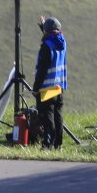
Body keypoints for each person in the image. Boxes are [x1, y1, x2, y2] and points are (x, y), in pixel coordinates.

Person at [31, 15, 66, 148]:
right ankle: (58, 144)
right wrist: (44, 27)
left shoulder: (46, 46)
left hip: (46, 88)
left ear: (46, 32)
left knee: (47, 116)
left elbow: (42, 69)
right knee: (58, 115)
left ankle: (47, 144)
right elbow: (52, 36)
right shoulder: (62, 42)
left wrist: (36, 87)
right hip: (58, 87)